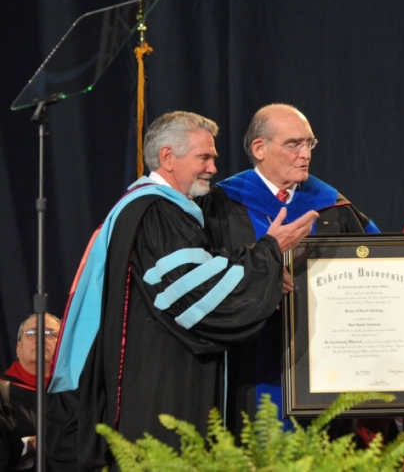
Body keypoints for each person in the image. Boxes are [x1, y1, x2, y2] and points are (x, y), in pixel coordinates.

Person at [46, 111, 318, 471]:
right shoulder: (156, 211)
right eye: (203, 158)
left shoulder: (156, 210)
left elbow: (195, 277)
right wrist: (268, 253)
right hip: (161, 389)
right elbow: (198, 299)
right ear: (168, 158)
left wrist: (262, 268)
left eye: (214, 158)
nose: (213, 168)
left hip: (157, 377)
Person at [197, 103, 378, 433]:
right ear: (259, 148)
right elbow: (202, 280)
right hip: (252, 361)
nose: (305, 153)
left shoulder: (332, 205)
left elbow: (380, 263)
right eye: (294, 144)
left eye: (309, 143)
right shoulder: (219, 205)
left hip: (327, 363)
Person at [1, 313, 62, 469]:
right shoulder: (2, 394)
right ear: (18, 347)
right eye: (31, 333)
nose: (41, 338)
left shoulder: (78, 393)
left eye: (50, 333)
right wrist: (31, 445)